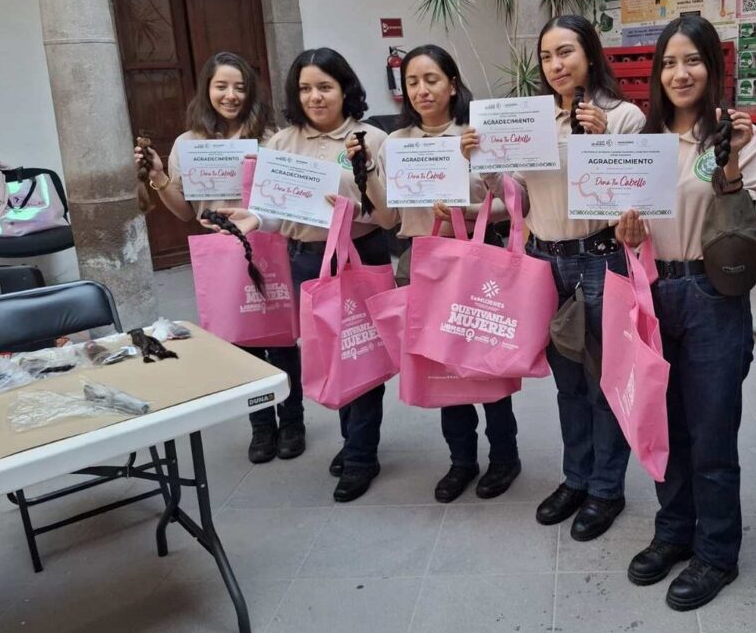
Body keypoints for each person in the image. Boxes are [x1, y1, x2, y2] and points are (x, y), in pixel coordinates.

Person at [614, 15, 756, 611]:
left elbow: (746, 221)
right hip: (653, 291)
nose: (680, 73)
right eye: (669, 62)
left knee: (710, 430)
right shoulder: (641, 140)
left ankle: (717, 551)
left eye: (693, 60)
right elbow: (624, 217)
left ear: (713, 67)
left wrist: (727, 160)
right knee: (664, 424)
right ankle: (674, 530)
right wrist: (624, 230)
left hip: (712, 296)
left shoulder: (736, 136)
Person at [477, 15, 645, 541]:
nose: (556, 65)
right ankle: (576, 478)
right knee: (568, 382)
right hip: (543, 260)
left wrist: (598, 144)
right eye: (547, 56)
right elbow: (516, 199)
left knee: (601, 380)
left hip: (600, 257)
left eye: (566, 52)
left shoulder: (624, 118)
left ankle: (606, 488)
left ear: (590, 55)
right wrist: (484, 162)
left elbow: (630, 199)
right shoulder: (533, 120)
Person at [209, 48, 395, 503]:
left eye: (325, 87)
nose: (315, 97)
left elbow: (389, 218)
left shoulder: (373, 139)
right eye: (306, 88)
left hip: (360, 254)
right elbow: (272, 211)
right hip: (305, 258)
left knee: (360, 353)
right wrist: (253, 220)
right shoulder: (281, 143)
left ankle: (360, 455)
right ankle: (354, 436)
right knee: (327, 353)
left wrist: (363, 175)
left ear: (344, 89)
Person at [355, 44, 522, 503]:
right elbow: (388, 220)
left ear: (452, 84)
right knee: (442, 368)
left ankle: (505, 457)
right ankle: (461, 461)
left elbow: (511, 206)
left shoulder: (476, 133)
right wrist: (365, 173)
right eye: (412, 81)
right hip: (421, 266)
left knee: (485, 365)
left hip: (474, 261)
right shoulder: (397, 143)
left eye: (432, 79)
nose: (422, 89)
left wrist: (478, 169)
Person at [133, 51, 306, 466]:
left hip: (266, 244)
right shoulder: (188, 144)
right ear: (207, 90)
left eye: (239, 87)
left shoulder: (271, 137)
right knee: (240, 342)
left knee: (280, 339)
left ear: (251, 93)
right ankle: (261, 426)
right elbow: (183, 210)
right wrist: (158, 176)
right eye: (221, 86)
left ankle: (293, 420)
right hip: (219, 251)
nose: (230, 95)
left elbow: (289, 194)